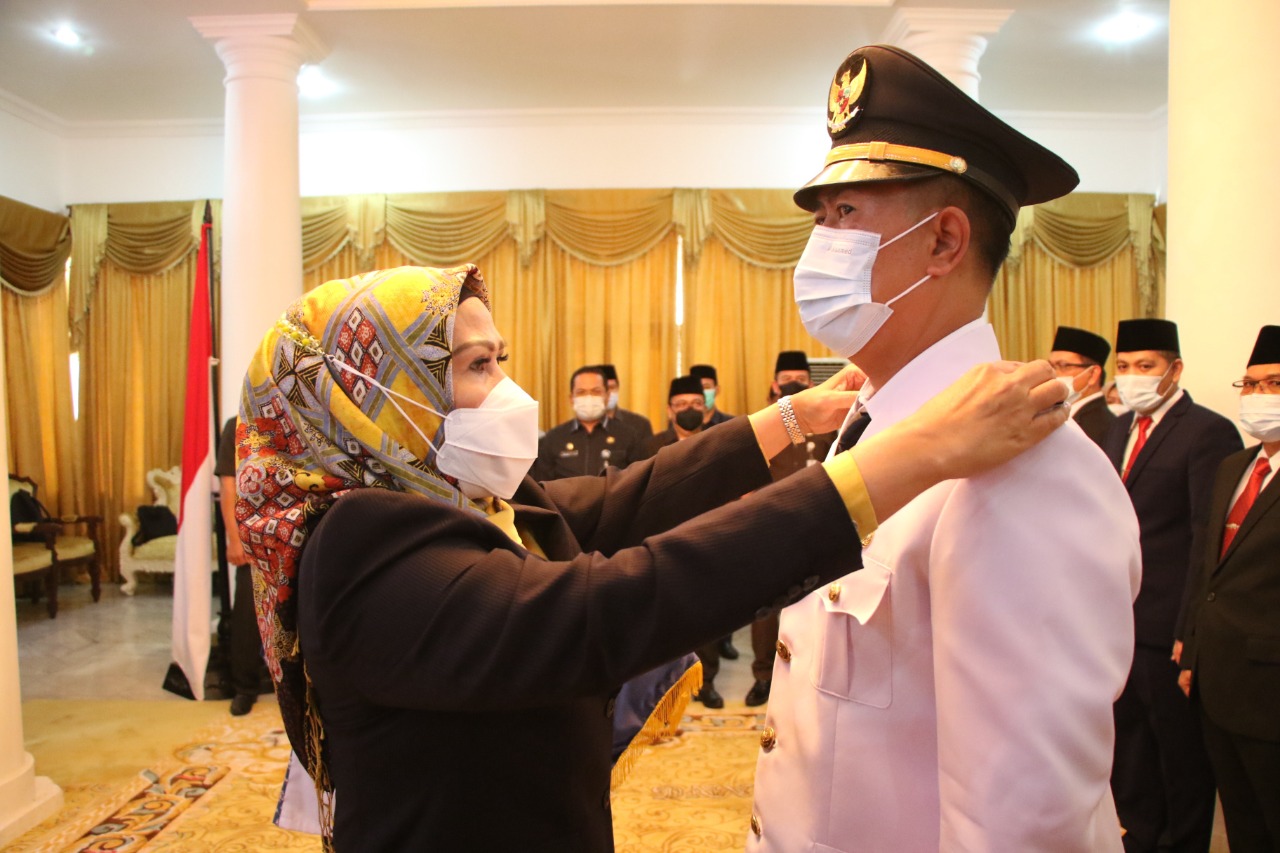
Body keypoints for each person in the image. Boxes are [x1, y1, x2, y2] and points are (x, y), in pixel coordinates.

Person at [235, 264, 1069, 850]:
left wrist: (791, 419)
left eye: (502, 359)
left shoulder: (445, 497)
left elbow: (615, 505)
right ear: (376, 395)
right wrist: (902, 460)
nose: (509, 389)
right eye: (476, 365)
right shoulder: (362, 544)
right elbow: (602, 609)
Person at [748, 44, 1142, 852]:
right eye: (820, 218)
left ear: (944, 242)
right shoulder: (870, 424)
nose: (821, 242)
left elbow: (1020, 821)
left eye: (846, 213)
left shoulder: (1023, 467)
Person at [1103, 317, 1243, 852]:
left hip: (1168, 626)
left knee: (1179, 758)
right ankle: (1139, 838)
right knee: (1131, 752)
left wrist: (1190, 628)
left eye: (1147, 366)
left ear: (1175, 369)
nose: (1134, 376)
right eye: (1124, 366)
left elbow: (1206, 539)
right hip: (1119, 621)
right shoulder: (1118, 428)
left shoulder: (1206, 431)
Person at [1177, 325, 1280, 851]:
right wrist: (1193, 650)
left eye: (1275, 384)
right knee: (1243, 823)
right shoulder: (1234, 467)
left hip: (1271, 686)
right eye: (1252, 384)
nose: (1260, 395)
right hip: (1218, 680)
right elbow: (1206, 568)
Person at [743, 350, 837, 707]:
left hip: (821, 526)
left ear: (811, 382)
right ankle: (764, 677)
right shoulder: (760, 425)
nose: (794, 384)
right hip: (771, 527)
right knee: (766, 610)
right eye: (786, 380)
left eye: (800, 379)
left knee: (819, 606)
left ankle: (815, 676)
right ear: (774, 385)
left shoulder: (830, 424)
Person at [637, 375, 730, 708]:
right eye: (681, 404)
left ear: (705, 408)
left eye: (695, 404)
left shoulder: (721, 440)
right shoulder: (649, 446)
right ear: (669, 410)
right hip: (661, 539)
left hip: (708, 537)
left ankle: (707, 682)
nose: (688, 409)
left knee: (708, 617)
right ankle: (663, 688)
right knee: (664, 618)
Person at [214, 415, 268, 716]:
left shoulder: (295, 417)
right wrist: (234, 539)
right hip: (252, 535)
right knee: (248, 614)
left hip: (295, 531)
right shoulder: (236, 426)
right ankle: (245, 688)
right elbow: (228, 485)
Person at [532, 365, 647, 480]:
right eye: (581, 392)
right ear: (571, 399)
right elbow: (542, 484)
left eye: (596, 391)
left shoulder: (628, 436)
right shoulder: (554, 438)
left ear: (607, 396)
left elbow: (639, 480)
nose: (589, 397)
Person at [1050, 324, 1115, 447]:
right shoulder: (1059, 413)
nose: (1054, 373)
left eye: (1063, 366)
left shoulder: (1103, 424)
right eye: (1051, 366)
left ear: (1093, 374)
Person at [596, 363, 654, 438]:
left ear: (617, 388)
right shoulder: (585, 426)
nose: (608, 393)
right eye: (603, 389)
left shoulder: (640, 425)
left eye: (612, 387)